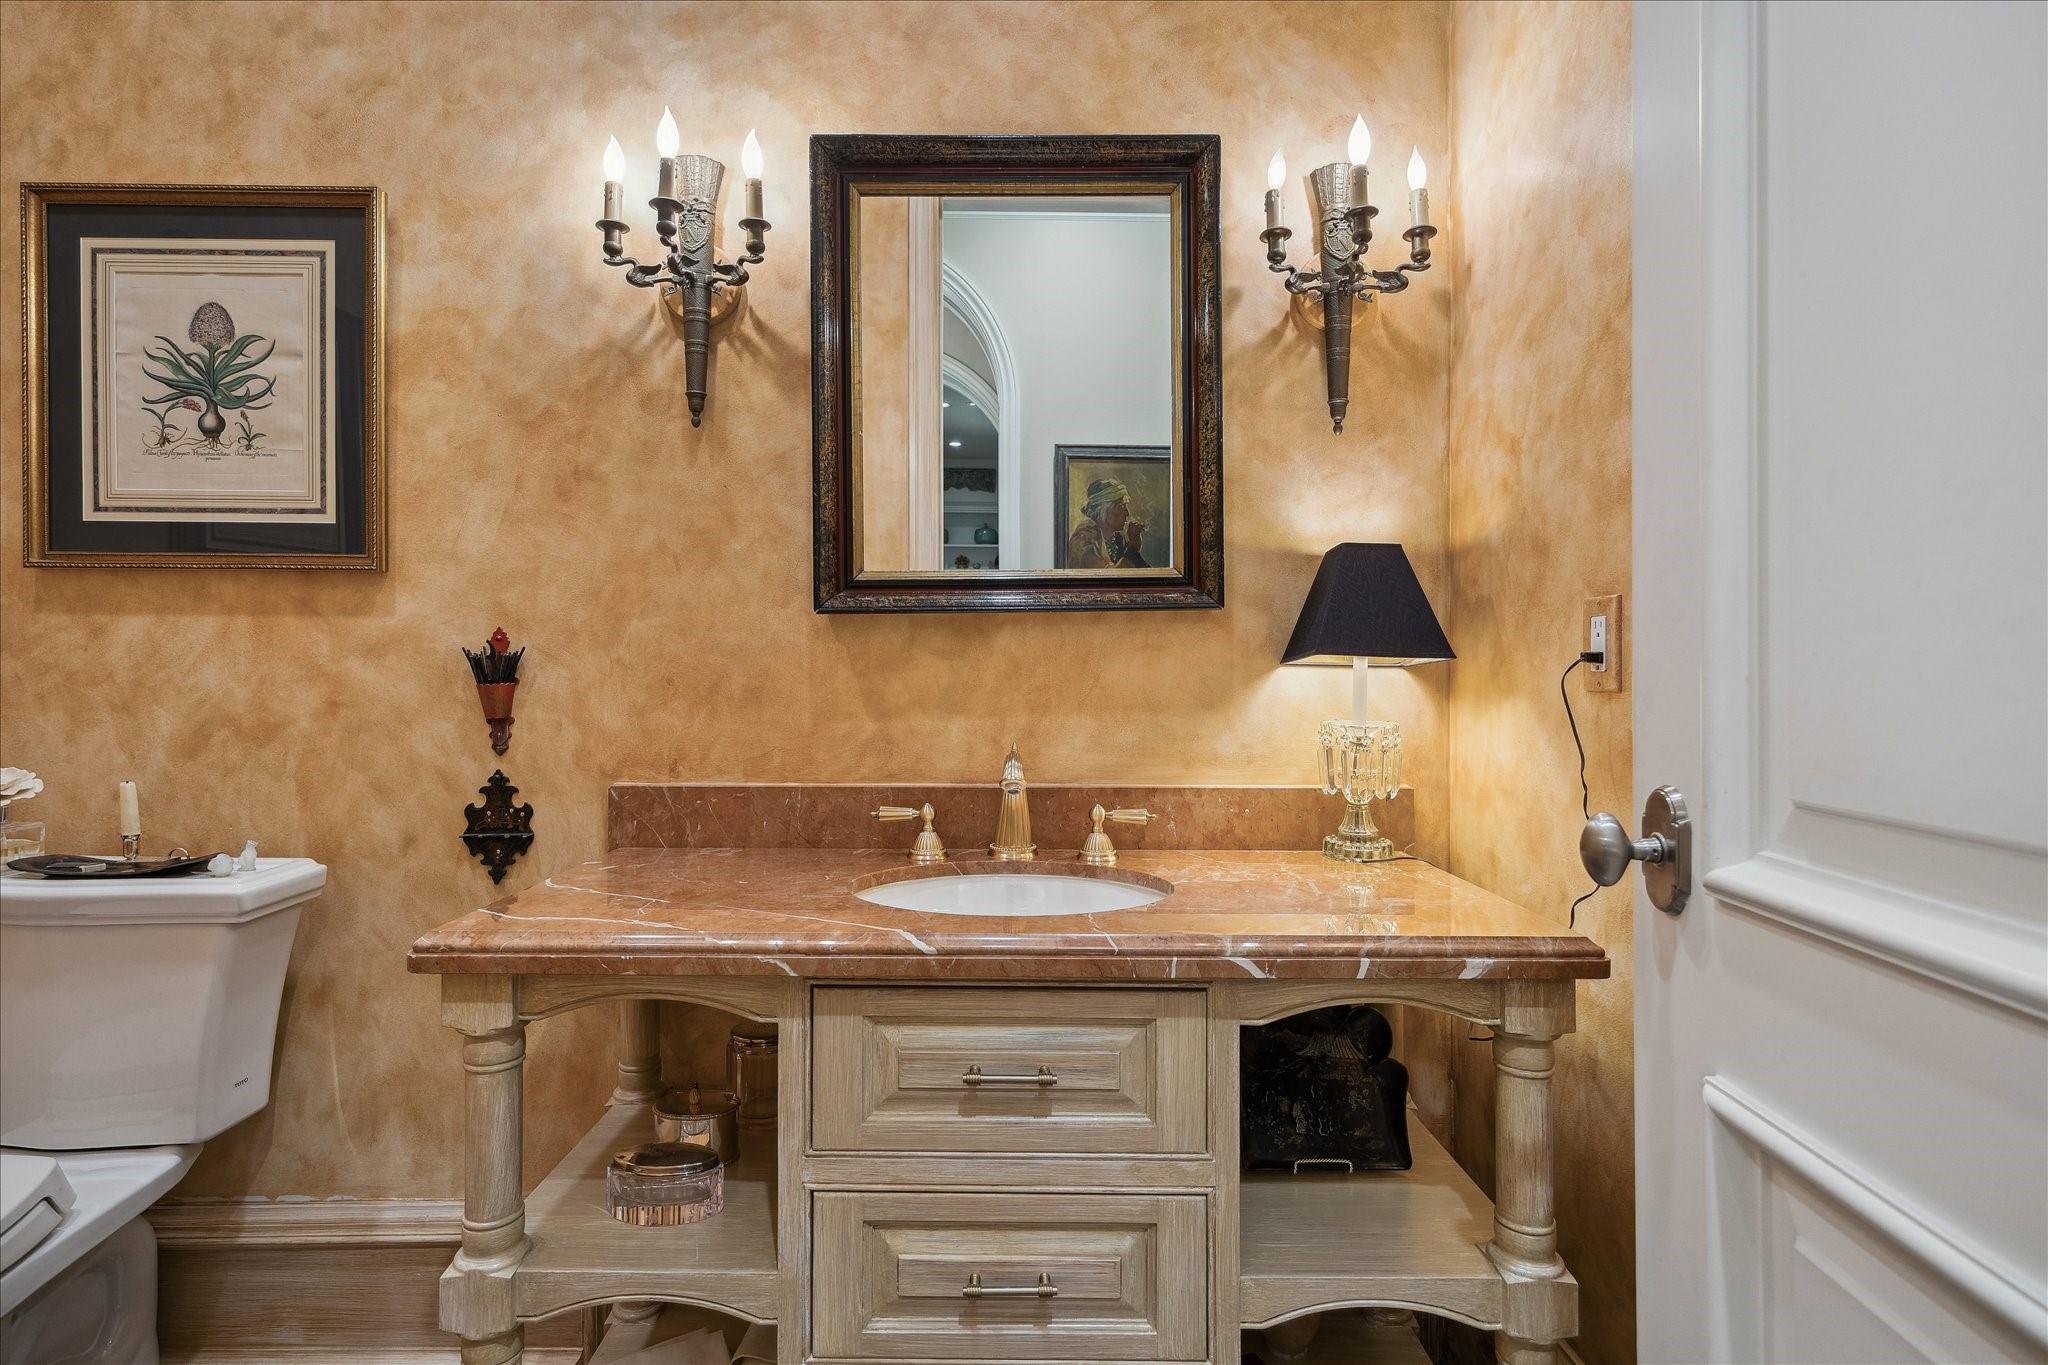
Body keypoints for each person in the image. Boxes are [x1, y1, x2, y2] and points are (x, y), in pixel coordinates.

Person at [1066, 478, 1148, 568]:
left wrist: (1133, 546)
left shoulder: (1118, 539)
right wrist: (1132, 550)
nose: (1127, 513)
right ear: (1103, 511)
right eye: (1121, 506)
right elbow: (1108, 577)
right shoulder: (1084, 538)